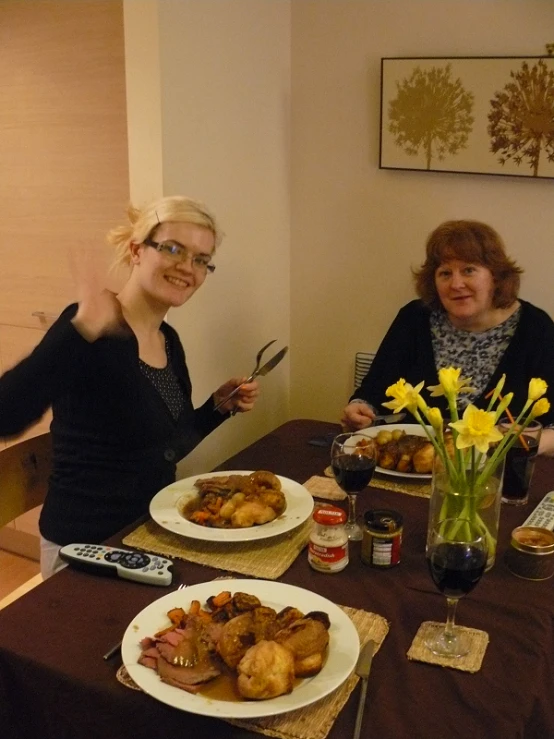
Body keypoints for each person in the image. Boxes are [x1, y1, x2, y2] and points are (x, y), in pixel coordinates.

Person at [0, 195, 260, 578]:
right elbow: (7, 413)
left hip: (146, 537)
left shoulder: (168, 340)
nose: (187, 267)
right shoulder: (91, 326)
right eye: (173, 249)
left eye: (201, 260)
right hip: (84, 549)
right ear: (138, 250)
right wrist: (81, 329)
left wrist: (217, 409)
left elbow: (166, 446)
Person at [341, 220, 554, 453]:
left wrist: (522, 445)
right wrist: (358, 408)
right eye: (445, 273)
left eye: (468, 270)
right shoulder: (414, 318)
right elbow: (372, 391)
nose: (456, 284)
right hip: (413, 466)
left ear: (495, 275)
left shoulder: (536, 328)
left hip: (497, 475)